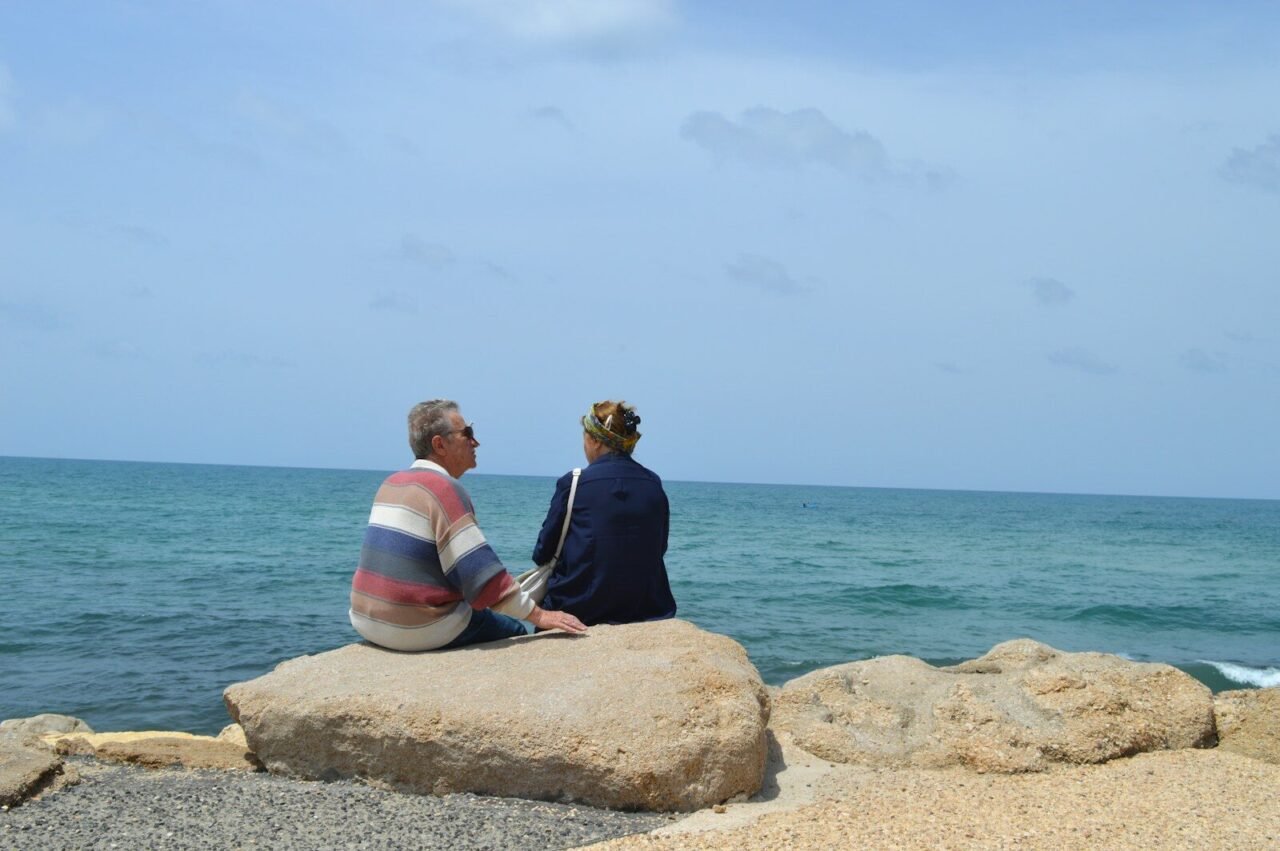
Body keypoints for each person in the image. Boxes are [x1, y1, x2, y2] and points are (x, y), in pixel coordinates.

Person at [350, 399, 587, 651]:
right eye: (467, 434)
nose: (475, 442)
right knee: (515, 631)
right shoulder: (444, 488)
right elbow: (481, 574)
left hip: (366, 621)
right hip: (418, 629)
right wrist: (540, 615)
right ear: (439, 444)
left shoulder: (391, 483)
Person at [532, 400, 677, 625]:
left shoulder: (574, 483)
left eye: (585, 437)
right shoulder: (653, 483)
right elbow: (660, 548)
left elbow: (542, 552)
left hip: (580, 609)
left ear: (596, 441)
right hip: (646, 609)